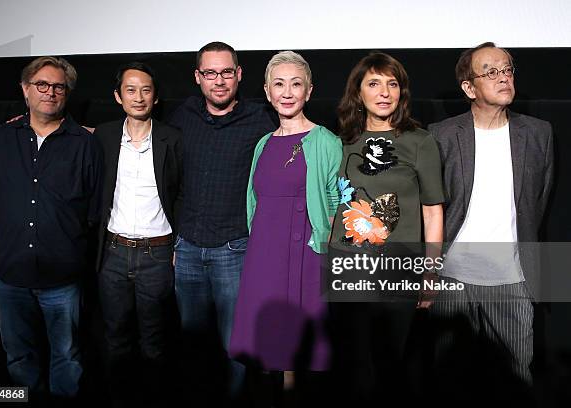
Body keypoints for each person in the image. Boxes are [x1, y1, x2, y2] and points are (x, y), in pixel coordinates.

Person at [428, 42, 554, 385]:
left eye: (508, 69)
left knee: (516, 380)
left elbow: (538, 202)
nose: (503, 78)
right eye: (491, 72)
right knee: (448, 381)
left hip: (513, 278)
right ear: (469, 87)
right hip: (451, 280)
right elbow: (430, 208)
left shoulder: (539, 133)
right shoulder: (440, 135)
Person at [0, 56, 103, 398]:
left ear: (67, 93)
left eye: (58, 86)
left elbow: (93, 207)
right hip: (11, 275)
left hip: (62, 279)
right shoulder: (0, 139)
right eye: (41, 85)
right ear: (25, 89)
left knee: (67, 359)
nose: (49, 92)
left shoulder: (85, 144)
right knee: (19, 358)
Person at [328, 52, 444, 401]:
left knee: (392, 365)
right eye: (374, 83)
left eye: (392, 84)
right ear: (358, 93)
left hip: (398, 266)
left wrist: (431, 272)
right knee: (352, 364)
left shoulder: (419, 141)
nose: (384, 92)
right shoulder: (341, 142)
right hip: (346, 265)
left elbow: (433, 212)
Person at [167, 41, 276, 398]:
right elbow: (136, 133)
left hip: (235, 247)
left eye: (226, 72)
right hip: (186, 250)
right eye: (210, 73)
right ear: (198, 77)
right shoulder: (182, 118)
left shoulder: (261, 119)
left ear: (239, 75)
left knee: (236, 344)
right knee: (192, 341)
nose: (219, 81)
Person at [229, 51, 342, 388]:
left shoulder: (326, 141)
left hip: (306, 256)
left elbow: (337, 202)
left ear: (309, 91)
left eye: (296, 84)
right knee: (266, 353)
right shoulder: (263, 143)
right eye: (279, 84)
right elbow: (255, 202)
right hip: (264, 255)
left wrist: (325, 256)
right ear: (267, 91)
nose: (287, 92)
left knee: (297, 355)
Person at [93, 62, 182, 405]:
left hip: (157, 255)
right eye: (130, 90)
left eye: (146, 90)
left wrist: (178, 244)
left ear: (156, 97)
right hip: (113, 253)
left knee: (154, 342)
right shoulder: (103, 134)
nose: (139, 97)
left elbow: (184, 192)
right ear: (118, 97)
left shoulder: (172, 138)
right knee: (115, 339)